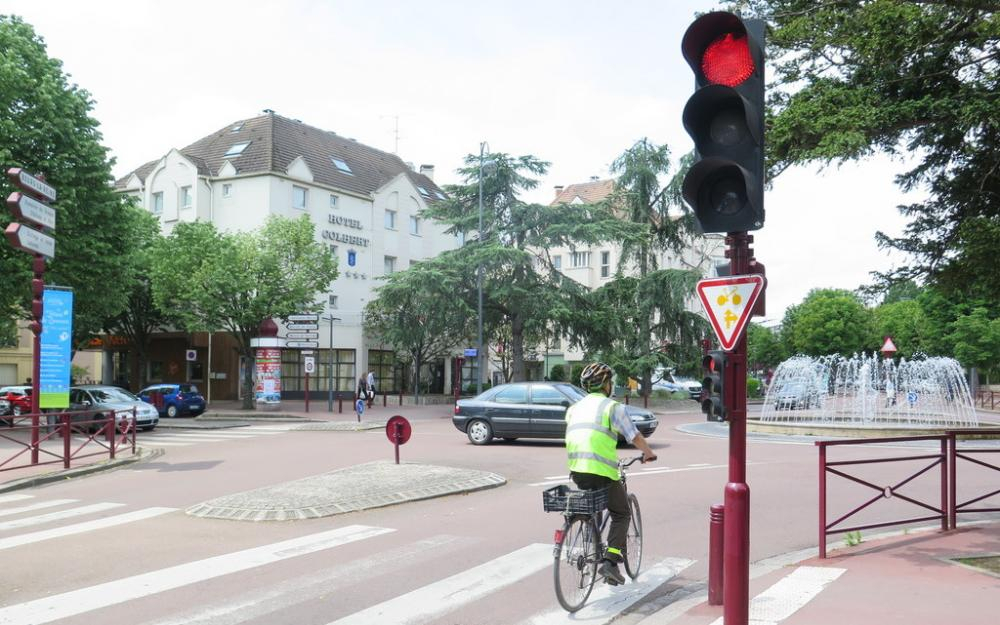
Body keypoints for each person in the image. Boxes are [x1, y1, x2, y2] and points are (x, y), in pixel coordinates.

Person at [566, 361, 657, 586]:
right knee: (621, 513)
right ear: (606, 385)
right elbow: (633, 435)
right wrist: (648, 453)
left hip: (577, 470)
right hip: (602, 471)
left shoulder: (574, 409)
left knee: (594, 503)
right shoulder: (611, 407)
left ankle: (592, 537)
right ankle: (610, 562)